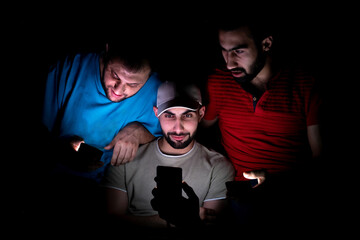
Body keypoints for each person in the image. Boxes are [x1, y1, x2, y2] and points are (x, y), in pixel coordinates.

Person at [200, 13, 324, 229]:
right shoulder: (219, 82)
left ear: (266, 44)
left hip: (294, 191)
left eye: (238, 51)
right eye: (224, 51)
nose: (229, 63)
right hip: (242, 195)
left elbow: (322, 159)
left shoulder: (304, 82)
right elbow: (191, 130)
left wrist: (281, 183)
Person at [38, 33, 163, 226]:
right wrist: (59, 148)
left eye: (133, 85)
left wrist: (141, 133)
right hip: (53, 184)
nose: (119, 90)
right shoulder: (70, 69)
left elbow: (170, 147)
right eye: (115, 76)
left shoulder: (158, 92)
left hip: (115, 194)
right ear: (106, 51)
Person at [101, 81, 235, 235]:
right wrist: (173, 221)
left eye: (187, 115)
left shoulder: (218, 167)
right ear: (156, 113)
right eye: (169, 115)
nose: (178, 128)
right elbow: (110, 223)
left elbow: (210, 231)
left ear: (201, 114)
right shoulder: (125, 157)